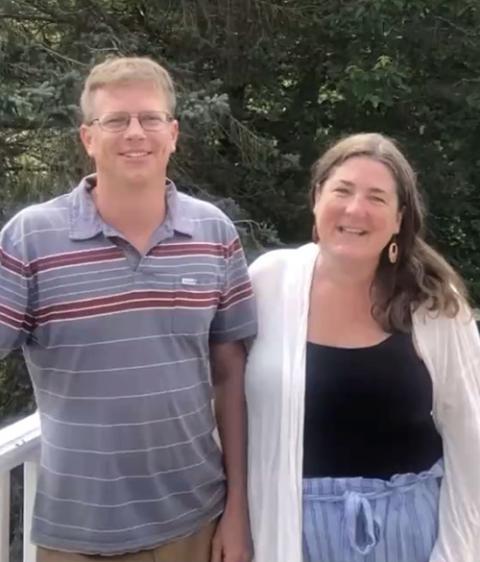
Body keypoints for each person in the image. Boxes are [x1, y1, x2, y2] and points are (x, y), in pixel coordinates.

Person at [0, 56, 257, 562]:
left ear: (173, 133)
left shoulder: (213, 234)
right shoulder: (30, 238)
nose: (135, 133)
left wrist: (238, 512)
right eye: (116, 120)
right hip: (77, 533)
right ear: (88, 138)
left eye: (150, 118)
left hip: (194, 523)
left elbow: (232, 378)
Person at [245, 133, 480, 562]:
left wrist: (458, 551)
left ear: (398, 218)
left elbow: (470, 438)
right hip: (292, 531)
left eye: (377, 197)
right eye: (343, 190)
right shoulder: (268, 283)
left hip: (411, 535)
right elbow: (229, 408)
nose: (356, 209)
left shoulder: (435, 303)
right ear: (317, 198)